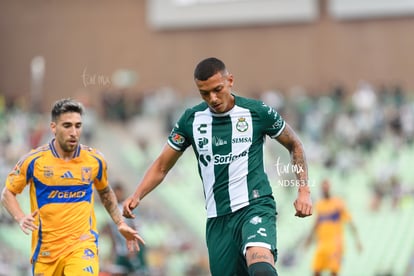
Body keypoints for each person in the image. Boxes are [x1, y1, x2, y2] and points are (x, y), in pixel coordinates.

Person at [123, 57, 312, 276]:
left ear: (230, 81)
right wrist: (137, 195)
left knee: (261, 269)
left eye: (217, 89)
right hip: (218, 219)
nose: (212, 98)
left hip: (255, 206)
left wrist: (304, 190)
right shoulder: (191, 120)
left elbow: (294, 144)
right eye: (204, 93)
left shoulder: (257, 112)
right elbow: (162, 166)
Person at [0, 98, 145, 276]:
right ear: (53, 127)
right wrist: (21, 217)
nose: (74, 132)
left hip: (82, 246)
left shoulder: (94, 160)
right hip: (46, 252)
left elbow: (105, 192)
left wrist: (120, 223)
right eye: (67, 126)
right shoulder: (34, 161)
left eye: (78, 126)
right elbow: (8, 193)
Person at [305, 179, 362, 276]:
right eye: (323, 187)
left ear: (330, 188)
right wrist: (309, 239)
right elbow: (316, 223)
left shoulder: (338, 203)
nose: (325, 189)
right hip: (322, 244)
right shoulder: (319, 205)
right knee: (316, 270)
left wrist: (357, 240)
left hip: (335, 245)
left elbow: (350, 222)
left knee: (334, 272)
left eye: (326, 187)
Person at [101, 182, 149, 276]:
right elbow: (111, 231)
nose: (116, 195)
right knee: (117, 272)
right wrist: (112, 249)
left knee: (138, 273)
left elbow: (135, 227)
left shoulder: (128, 206)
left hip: (133, 248)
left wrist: (133, 250)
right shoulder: (111, 209)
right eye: (114, 193)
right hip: (121, 250)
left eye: (118, 192)